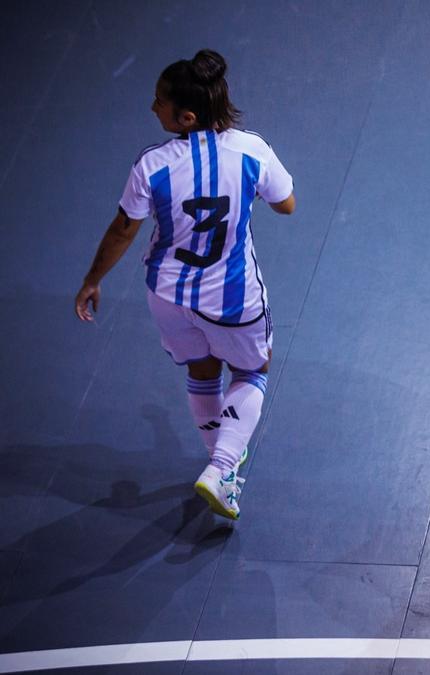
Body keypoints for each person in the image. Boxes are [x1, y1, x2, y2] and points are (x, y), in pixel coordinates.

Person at [73, 49, 295, 520]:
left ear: (186, 116)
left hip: (168, 294)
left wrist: (94, 279)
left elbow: (123, 230)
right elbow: (287, 204)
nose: (153, 108)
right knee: (253, 370)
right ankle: (221, 466)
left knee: (201, 368)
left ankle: (225, 463)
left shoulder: (151, 165)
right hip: (233, 296)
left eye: (159, 102)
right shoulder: (251, 150)